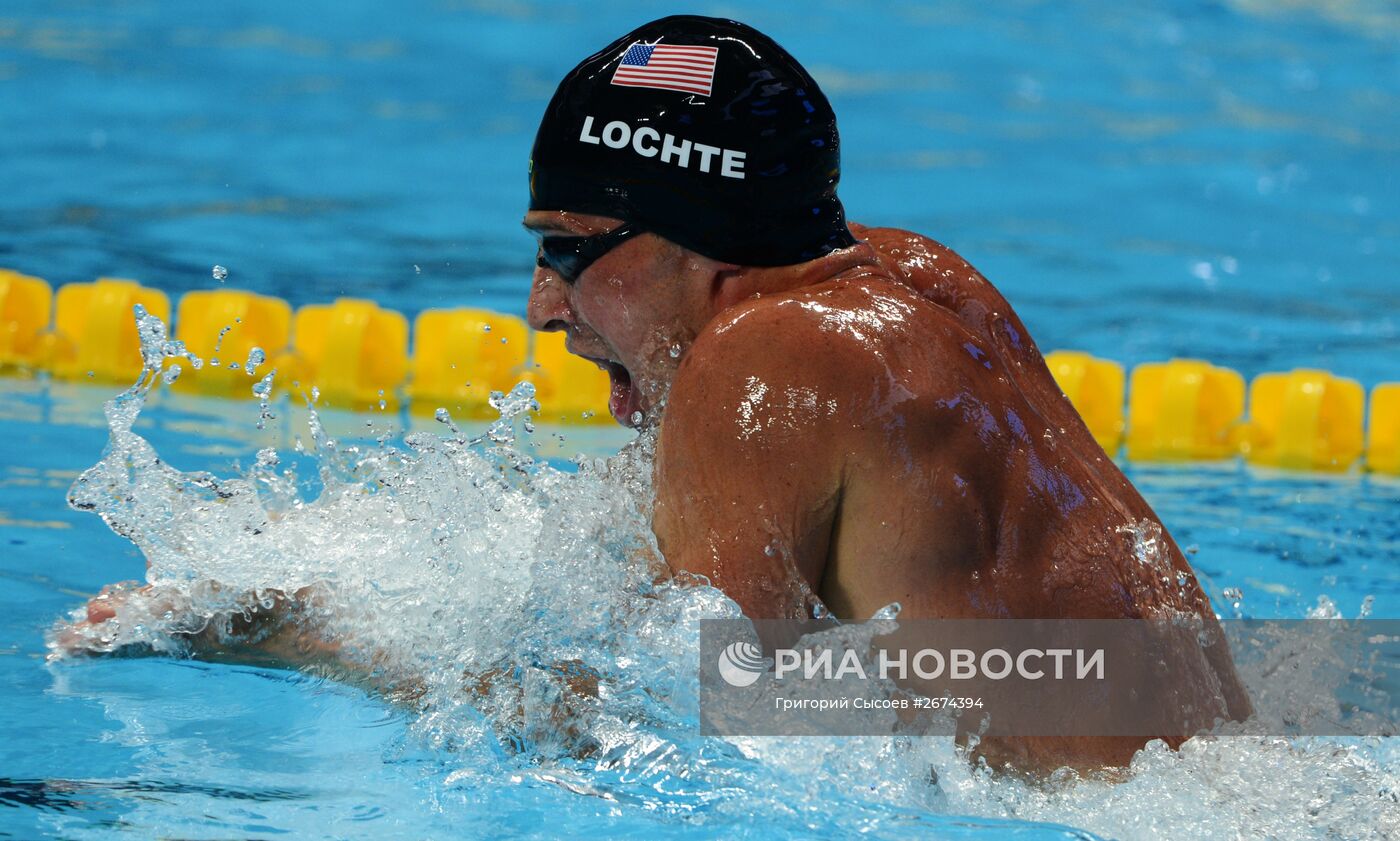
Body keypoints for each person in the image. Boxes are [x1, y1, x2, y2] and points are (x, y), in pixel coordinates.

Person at [61, 15, 1249, 773]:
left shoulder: (756, 365)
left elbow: (681, 733)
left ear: (704, 240)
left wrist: (298, 631)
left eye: (574, 252)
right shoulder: (921, 277)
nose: (539, 304)